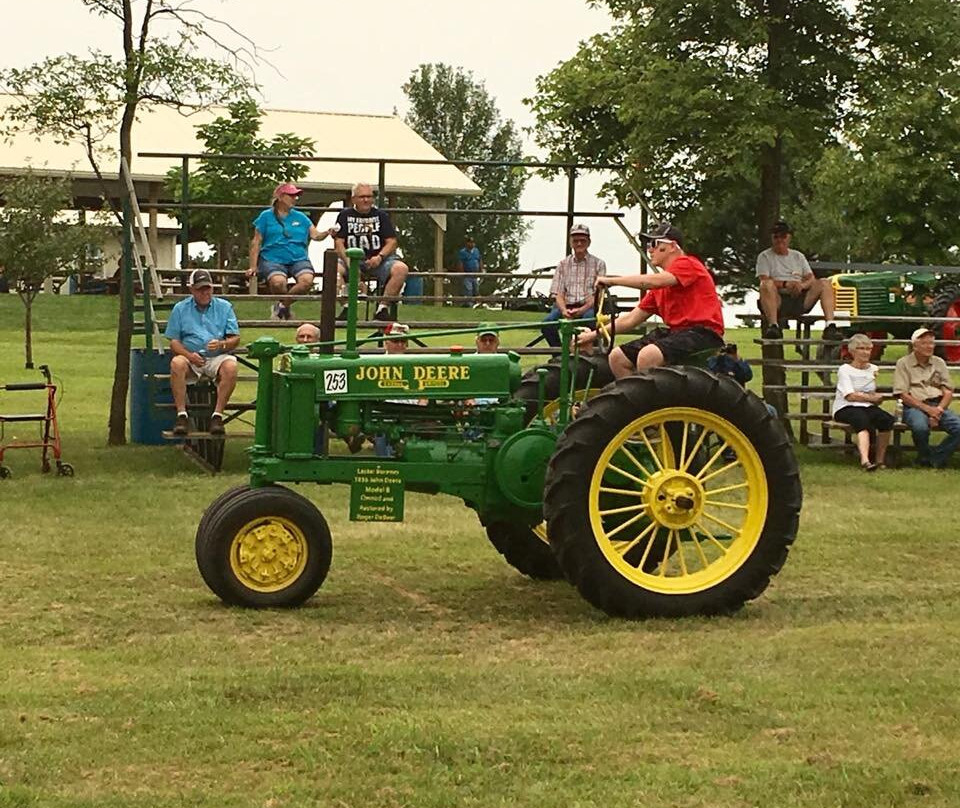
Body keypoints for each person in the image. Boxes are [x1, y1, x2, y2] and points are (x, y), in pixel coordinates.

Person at [579, 223, 724, 378]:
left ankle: (653, 401)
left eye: (655, 244)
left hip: (704, 334)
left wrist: (612, 281)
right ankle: (634, 398)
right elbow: (630, 319)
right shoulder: (659, 288)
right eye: (649, 245)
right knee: (617, 358)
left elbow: (654, 281)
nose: (650, 249)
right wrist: (592, 335)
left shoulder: (688, 264)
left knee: (648, 356)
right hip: (678, 334)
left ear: (672, 246)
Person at [165, 269, 240, 436]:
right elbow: (174, 341)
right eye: (200, 289)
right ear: (192, 290)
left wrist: (222, 344)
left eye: (208, 288)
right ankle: (182, 415)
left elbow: (235, 338)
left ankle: (217, 416)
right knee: (177, 363)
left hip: (216, 356)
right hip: (190, 357)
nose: (205, 292)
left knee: (231, 366)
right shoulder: (180, 308)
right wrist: (188, 355)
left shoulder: (225, 307)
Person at [246, 182, 333, 321]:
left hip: (298, 257)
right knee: (278, 282)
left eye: (296, 196)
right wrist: (253, 266)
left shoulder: (301, 217)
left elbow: (315, 235)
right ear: (280, 197)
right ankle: (284, 307)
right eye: (291, 195)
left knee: (306, 280)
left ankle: (282, 306)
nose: (295, 199)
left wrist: (328, 232)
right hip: (272, 257)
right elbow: (256, 241)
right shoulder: (265, 216)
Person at [335, 182, 409, 321]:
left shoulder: (381, 216)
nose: (366, 200)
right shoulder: (344, 215)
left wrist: (380, 257)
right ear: (354, 199)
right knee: (333, 269)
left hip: (379, 259)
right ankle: (347, 308)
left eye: (369, 196)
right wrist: (349, 261)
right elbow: (338, 242)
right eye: (362, 196)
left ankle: (382, 309)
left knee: (401, 268)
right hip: (351, 258)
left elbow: (392, 241)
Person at [757, 220, 838, 341]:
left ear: (789, 238)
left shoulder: (798, 256)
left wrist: (802, 286)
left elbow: (810, 277)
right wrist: (785, 284)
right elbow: (764, 279)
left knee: (824, 283)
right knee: (766, 285)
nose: (780, 240)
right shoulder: (764, 256)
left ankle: (830, 326)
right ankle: (773, 325)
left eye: (783, 236)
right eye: (776, 236)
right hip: (777, 299)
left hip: (800, 298)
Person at [893, 327, 960, 468]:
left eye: (931, 343)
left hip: (938, 405)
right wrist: (929, 410)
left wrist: (938, 410)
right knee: (920, 427)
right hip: (914, 405)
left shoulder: (939, 362)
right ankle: (925, 456)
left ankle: (934, 458)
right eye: (924, 343)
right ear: (914, 346)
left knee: (959, 427)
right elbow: (903, 395)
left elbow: (948, 391)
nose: (929, 346)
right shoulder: (903, 363)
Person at [832, 333, 895, 470]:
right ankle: (865, 461)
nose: (866, 352)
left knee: (886, 420)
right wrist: (871, 398)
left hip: (866, 405)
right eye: (862, 349)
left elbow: (870, 391)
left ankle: (880, 460)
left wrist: (875, 398)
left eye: (868, 349)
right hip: (846, 407)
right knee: (862, 421)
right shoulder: (845, 370)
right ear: (853, 351)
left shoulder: (873, 369)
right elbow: (849, 396)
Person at [541, 224, 606, 347]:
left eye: (582, 241)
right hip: (564, 307)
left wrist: (582, 309)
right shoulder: (562, 264)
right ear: (571, 242)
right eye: (576, 241)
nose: (579, 244)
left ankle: (589, 354)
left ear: (589, 242)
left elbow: (598, 294)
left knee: (589, 321)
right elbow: (558, 293)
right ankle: (559, 354)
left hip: (588, 307)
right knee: (547, 324)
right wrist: (564, 310)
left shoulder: (599, 264)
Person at [457, 235, 484, 307]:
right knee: (468, 290)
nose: (471, 244)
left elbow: (479, 260)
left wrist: (482, 270)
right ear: (467, 243)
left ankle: (477, 304)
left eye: (473, 242)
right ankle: (469, 304)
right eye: (470, 242)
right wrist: (462, 273)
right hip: (467, 275)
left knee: (476, 290)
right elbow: (460, 263)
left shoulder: (476, 251)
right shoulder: (463, 252)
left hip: (475, 275)